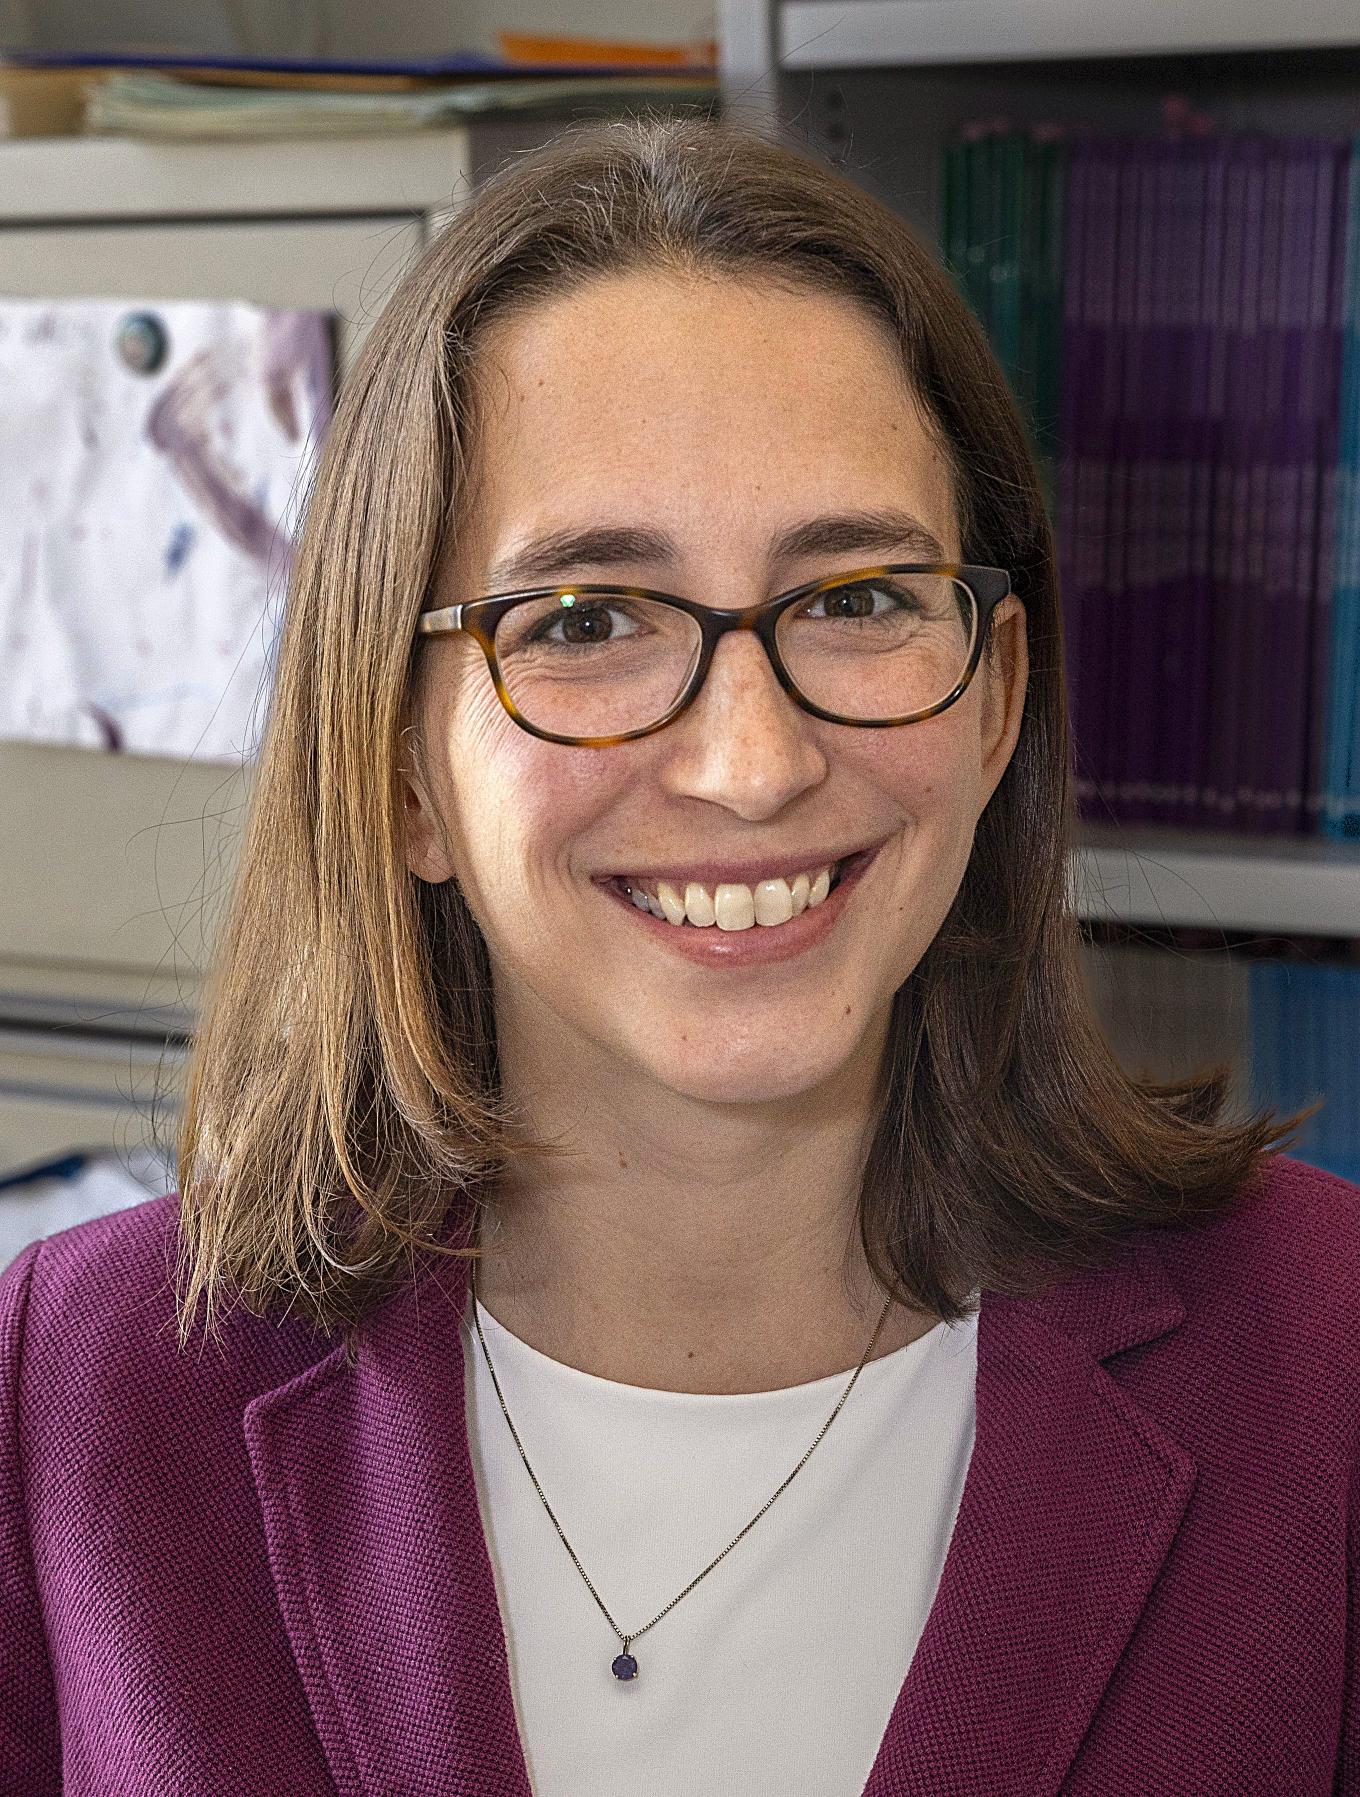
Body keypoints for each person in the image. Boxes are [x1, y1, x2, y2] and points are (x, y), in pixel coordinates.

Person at [1, 113, 1356, 1797]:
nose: (750, 761)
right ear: (401, 764)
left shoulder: (1329, 1360)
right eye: (582, 622)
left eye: (859, 597)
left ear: (998, 696)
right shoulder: (75, 1383)